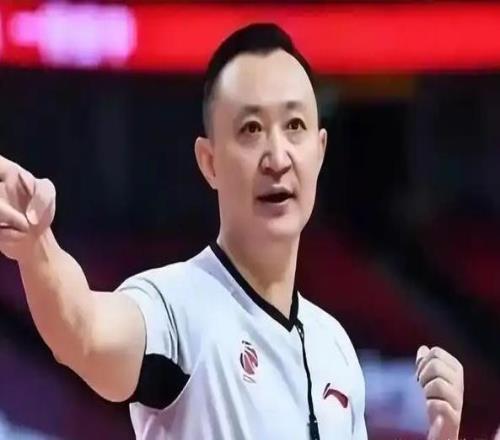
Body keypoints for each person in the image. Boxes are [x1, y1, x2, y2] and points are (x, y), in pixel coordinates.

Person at [0, 23, 464, 440]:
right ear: (209, 162)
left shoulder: (336, 347)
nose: (277, 157)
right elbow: (82, 330)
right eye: (251, 129)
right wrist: (36, 245)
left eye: (295, 126)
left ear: (320, 151)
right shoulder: (174, 308)